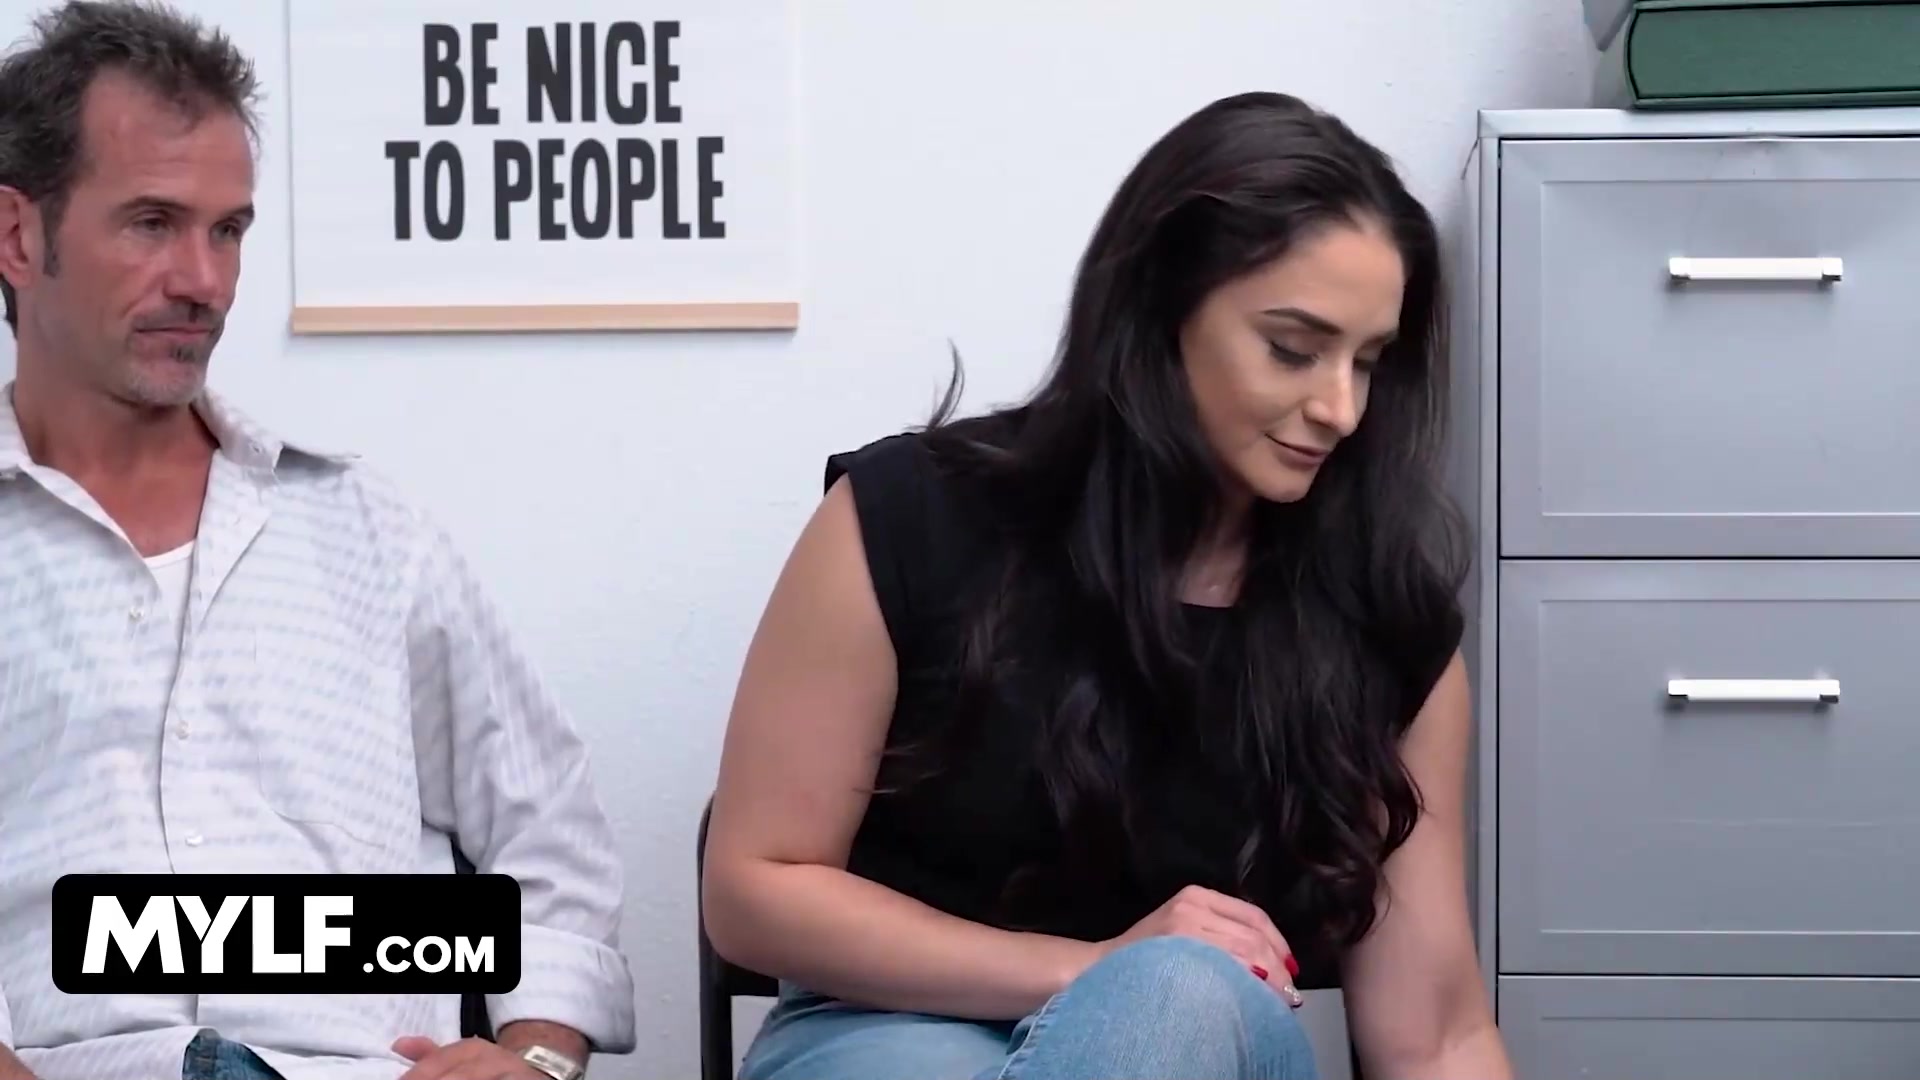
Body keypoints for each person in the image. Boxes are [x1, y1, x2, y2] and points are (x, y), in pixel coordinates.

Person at [701, 89, 1512, 1080]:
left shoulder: (1385, 626)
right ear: (1158, 310)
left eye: (1370, 362)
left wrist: (1140, 986)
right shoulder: (904, 518)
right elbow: (755, 888)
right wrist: (1089, 970)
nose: (1340, 408)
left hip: (1192, 1044)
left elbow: (1434, 1039)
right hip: (886, 1033)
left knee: (1177, 999)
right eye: (1293, 350)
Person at [0, 3, 636, 1079]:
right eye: (152, 223)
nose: (204, 281)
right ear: (19, 237)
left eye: (228, 231)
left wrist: (535, 1057)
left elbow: (551, 834)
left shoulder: (368, 533)